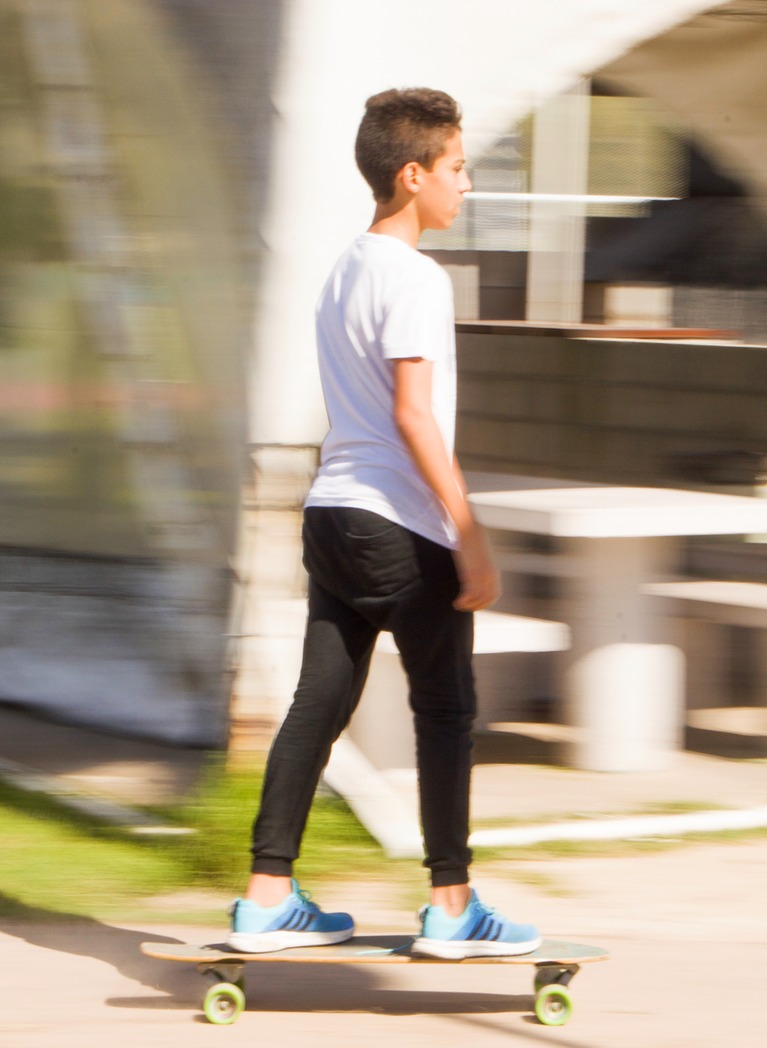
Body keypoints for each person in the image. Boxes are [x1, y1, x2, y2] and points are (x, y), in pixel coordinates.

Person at [226, 87, 540, 960]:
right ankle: (452, 906)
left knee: (316, 706)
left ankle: (266, 896)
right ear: (414, 174)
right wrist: (468, 527)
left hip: (332, 516)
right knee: (445, 710)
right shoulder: (414, 277)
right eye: (458, 167)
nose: (466, 185)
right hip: (400, 523)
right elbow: (412, 414)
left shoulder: (344, 268)